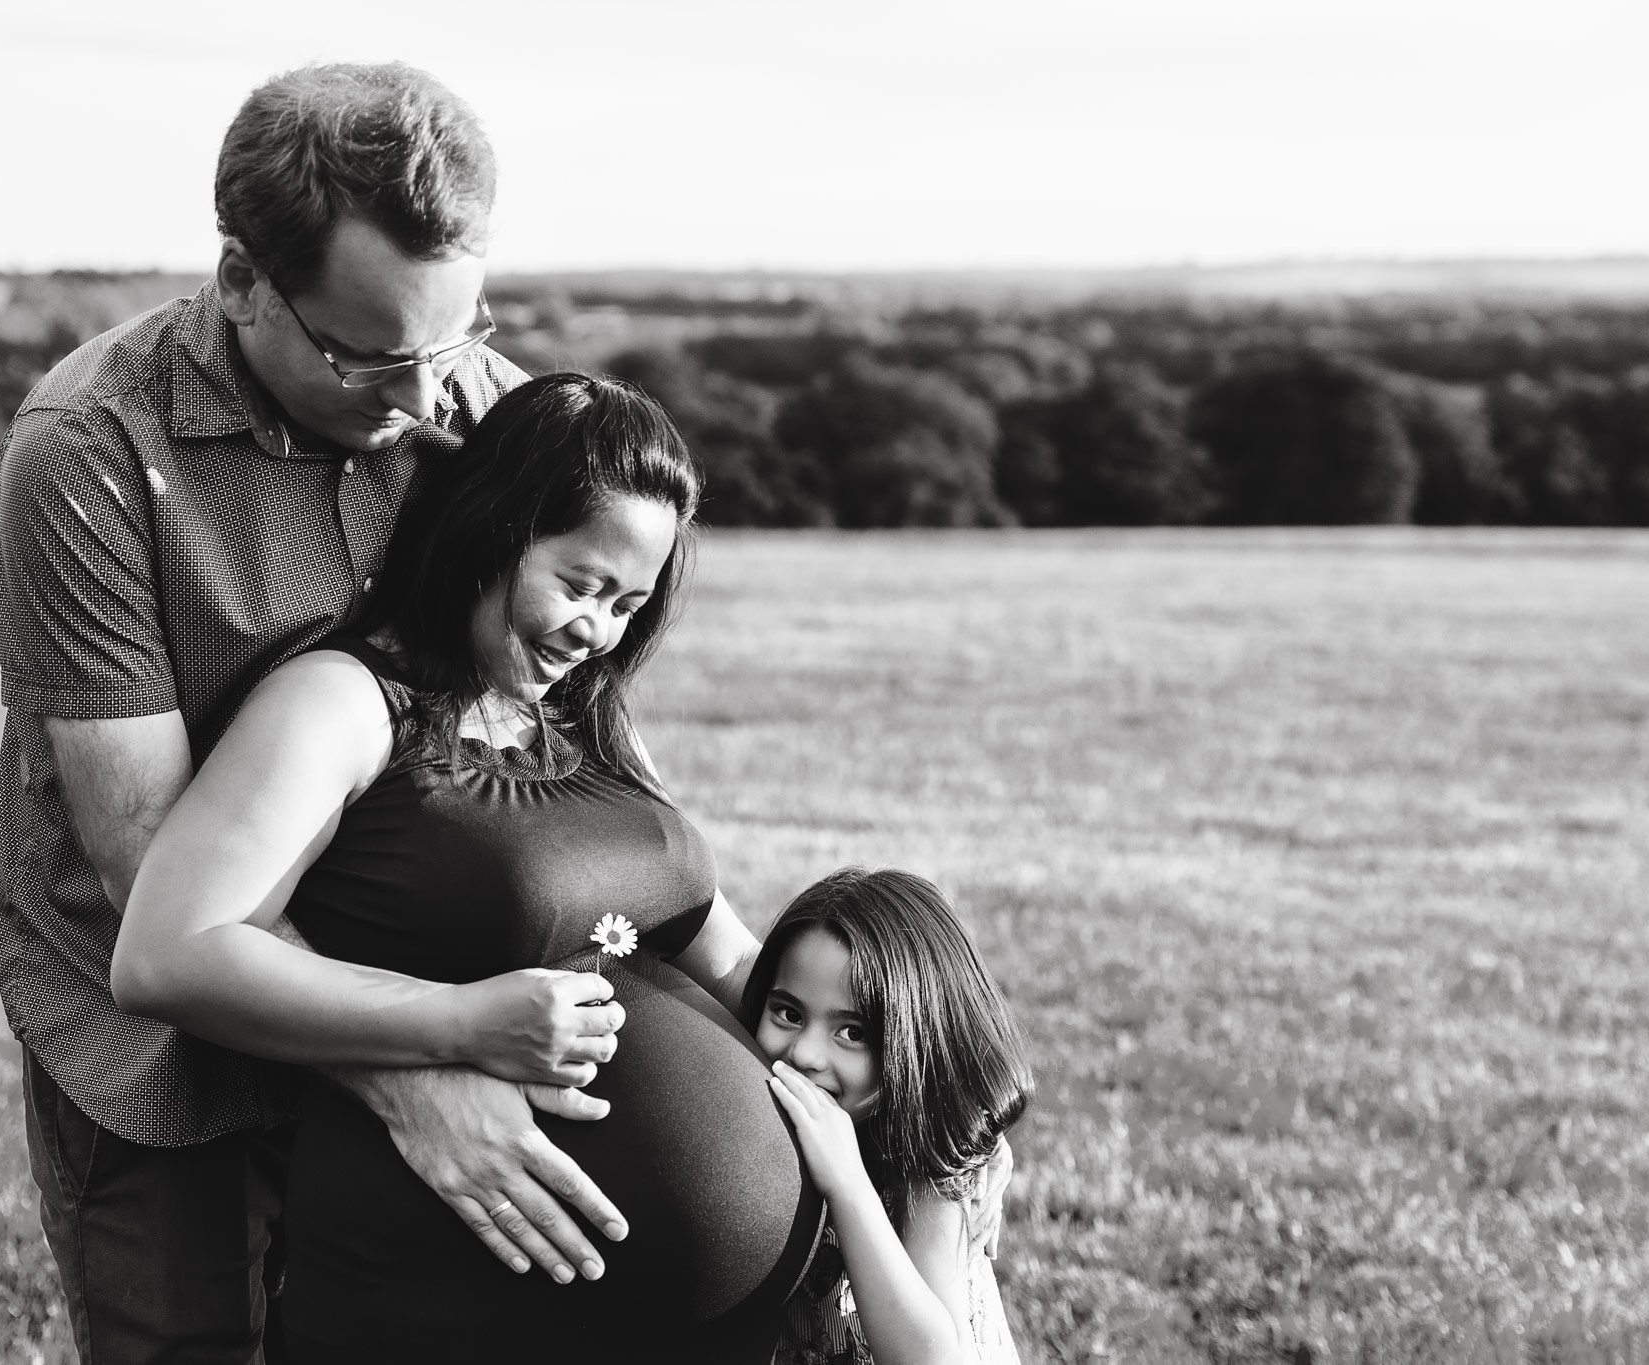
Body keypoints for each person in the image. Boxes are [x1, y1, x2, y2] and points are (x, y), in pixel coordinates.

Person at [0, 61, 626, 1362]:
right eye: (368, 357)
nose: (425, 403)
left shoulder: (482, 409)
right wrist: (411, 1080)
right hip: (165, 1046)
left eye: (458, 339)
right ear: (241, 282)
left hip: (437, 989)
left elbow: (571, 739)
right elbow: (147, 866)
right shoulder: (92, 447)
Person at [111, 372, 825, 1362]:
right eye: (577, 585)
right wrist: (456, 1022)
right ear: (492, 528)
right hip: (439, 1299)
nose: (596, 631)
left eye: (626, 603)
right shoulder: (344, 702)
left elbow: (723, 953)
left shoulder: (584, 714)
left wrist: (914, 1085)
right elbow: (166, 953)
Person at [749, 867, 1032, 1365]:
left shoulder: (926, 1166)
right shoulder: (761, 1106)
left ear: (918, 1044)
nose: (806, 1053)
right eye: (789, 1013)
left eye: (853, 1032)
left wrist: (847, 1183)